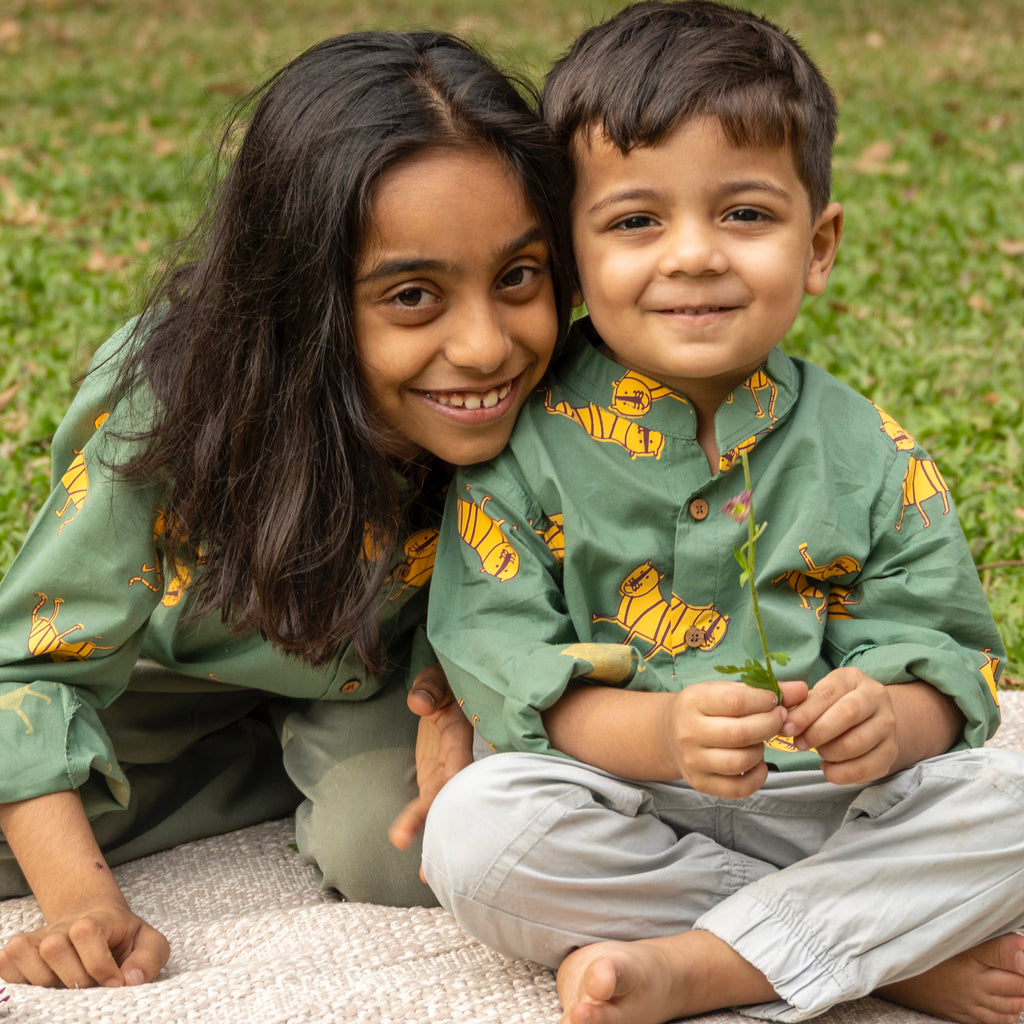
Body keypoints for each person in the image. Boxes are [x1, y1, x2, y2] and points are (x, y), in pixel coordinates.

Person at [421, 4, 1024, 1024]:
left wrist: (886, 718)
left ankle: (701, 966)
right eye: (634, 221)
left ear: (818, 244)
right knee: (475, 832)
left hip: (829, 807)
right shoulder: (524, 443)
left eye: (743, 214)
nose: (693, 255)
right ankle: (876, 951)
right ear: (571, 251)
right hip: (615, 799)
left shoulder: (867, 450)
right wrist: (661, 732)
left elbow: (944, 652)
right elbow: (498, 658)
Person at [0, 30, 573, 991]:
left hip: (392, 673)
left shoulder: (573, 402)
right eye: (413, 295)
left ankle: (288, 769)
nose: (484, 348)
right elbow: (33, 668)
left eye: (518, 277)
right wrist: (87, 908)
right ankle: (242, 761)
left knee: (408, 853)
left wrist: (461, 693)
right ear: (299, 300)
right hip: (168, 672)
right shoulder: (173, 401)